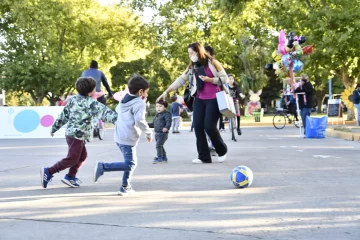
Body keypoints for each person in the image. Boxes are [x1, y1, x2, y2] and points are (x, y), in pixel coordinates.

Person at [157, 42, 228, 164]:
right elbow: (180, 80)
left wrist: (210, 80)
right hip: (199, 99)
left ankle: (222, 150)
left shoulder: (213, 63)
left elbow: (225, 79)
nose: (190, 56)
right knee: (198, 127)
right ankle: (204, 157)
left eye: (192, 53)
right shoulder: (192, 67)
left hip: (214, 98)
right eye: (189, 53)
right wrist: (166, 91)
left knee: (209, 127)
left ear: (199, 52)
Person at [40, 77, 117, 189]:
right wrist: (121, 120)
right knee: (72, 158)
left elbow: (63, 115)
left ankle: (70, 177)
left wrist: (54, 128)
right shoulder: (91, 103)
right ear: (90, 92)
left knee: (82, 156)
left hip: (72, 134)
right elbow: (106, 113)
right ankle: (49, 171)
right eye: (95, 89)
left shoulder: (72, 100)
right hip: (76, 136)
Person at [93, 75, 153, 195]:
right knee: (130, 164)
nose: (146, 94)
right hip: (128, 137)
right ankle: (103, 167)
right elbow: (139, 120)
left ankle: (125, 186)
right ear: (140, 91)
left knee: (129, 162)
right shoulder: (139, 103)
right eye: (146, 92)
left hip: (120, 135)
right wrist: (148, 132)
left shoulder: (124, 99)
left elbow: (117, 109)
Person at [148, 99, 172, 164]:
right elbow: (153, 124)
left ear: (165, 107)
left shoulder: (166, 114)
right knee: (160, 145)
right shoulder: (157, 115)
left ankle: (160, 158)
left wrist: (166, 127)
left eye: (160, 106)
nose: (158, 108)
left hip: (163, 133)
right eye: (157, 106)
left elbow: (168, 122)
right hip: (157, 133)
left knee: (158, 145)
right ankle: (164, 157)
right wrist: (145, 124)